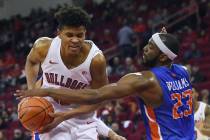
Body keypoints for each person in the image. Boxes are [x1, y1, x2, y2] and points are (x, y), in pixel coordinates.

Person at [16, 30, 195, 139]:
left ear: (163, 56)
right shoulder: (183, 71)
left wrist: (47, 90)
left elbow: (95, 95)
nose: (145, 49)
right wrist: (163, 39)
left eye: (151, 47)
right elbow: (170, 53)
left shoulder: (144, 80)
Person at [22, 6, 125, 140]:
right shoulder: (44, 47)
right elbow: (31, 61)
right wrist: (32, 91)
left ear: (85, 33)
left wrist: (66, 116)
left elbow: (101, 98)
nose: (75, 40)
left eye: (79, 35)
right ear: (59, 33)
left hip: (80, 116)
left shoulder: (95, 60)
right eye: (69, 35)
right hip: (48, 112)